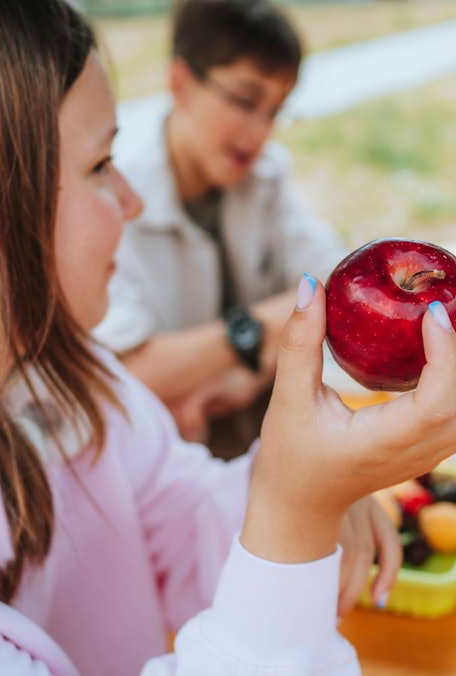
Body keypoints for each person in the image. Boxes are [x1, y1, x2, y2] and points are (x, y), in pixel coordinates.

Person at [0, 1, 456, 674]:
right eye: (99, 167)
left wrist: (304, 485)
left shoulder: (64, 383)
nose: (129, 202)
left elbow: (179, 520)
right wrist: (292, 517)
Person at [94, 0, 349, 458]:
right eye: (246, 100)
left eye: (275, 111)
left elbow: (340, 283)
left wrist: (249, 373)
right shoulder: (119, 198)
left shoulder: (263, 177)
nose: (260, 132)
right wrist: (261, 327)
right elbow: (127, 371)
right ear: (181, 83)